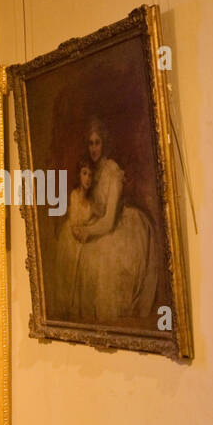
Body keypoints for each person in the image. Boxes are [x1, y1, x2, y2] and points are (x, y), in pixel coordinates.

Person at [50, 118, 159, 323]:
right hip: (95, 222)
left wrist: (88, 231)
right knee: (67, 234)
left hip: (115, 225)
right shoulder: (89, 171)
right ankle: (71, 309)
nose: (93, 148)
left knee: (103, 256)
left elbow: (108, 220)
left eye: (97, 142)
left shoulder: (112, 170)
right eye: (90, 143)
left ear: (104, 143)